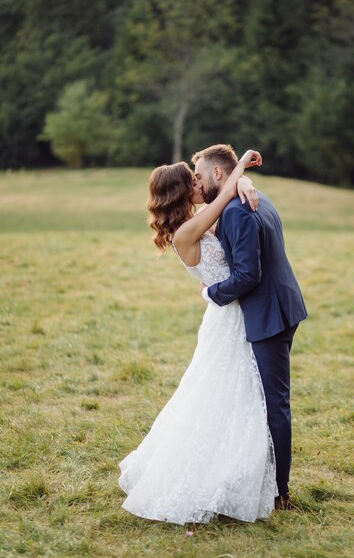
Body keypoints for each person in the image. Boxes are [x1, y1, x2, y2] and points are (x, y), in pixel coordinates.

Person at [118, 149, 278, 525]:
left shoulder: (197, 222)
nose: (198, 182)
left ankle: (235, 473)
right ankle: (219, 478)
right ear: (178, 192)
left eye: (197, 176)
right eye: (191, 180)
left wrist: (244, 180)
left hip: (229, 315)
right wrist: (240, 172)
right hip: (228, 317)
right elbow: (223, 196)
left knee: (230, 394)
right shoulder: (187, 231)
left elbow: (225, 197)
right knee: (226, 396)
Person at [192, 144, 307, 510]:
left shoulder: (238, 212)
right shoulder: (249, 196)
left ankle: (280, 490)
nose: (196, 182)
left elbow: (247, 275)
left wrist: (212, 293)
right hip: (280, 305)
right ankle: (261, 477)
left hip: (268, 314)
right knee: (264, 399)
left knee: (274, 402)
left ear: (219, 175)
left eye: (199, 175)